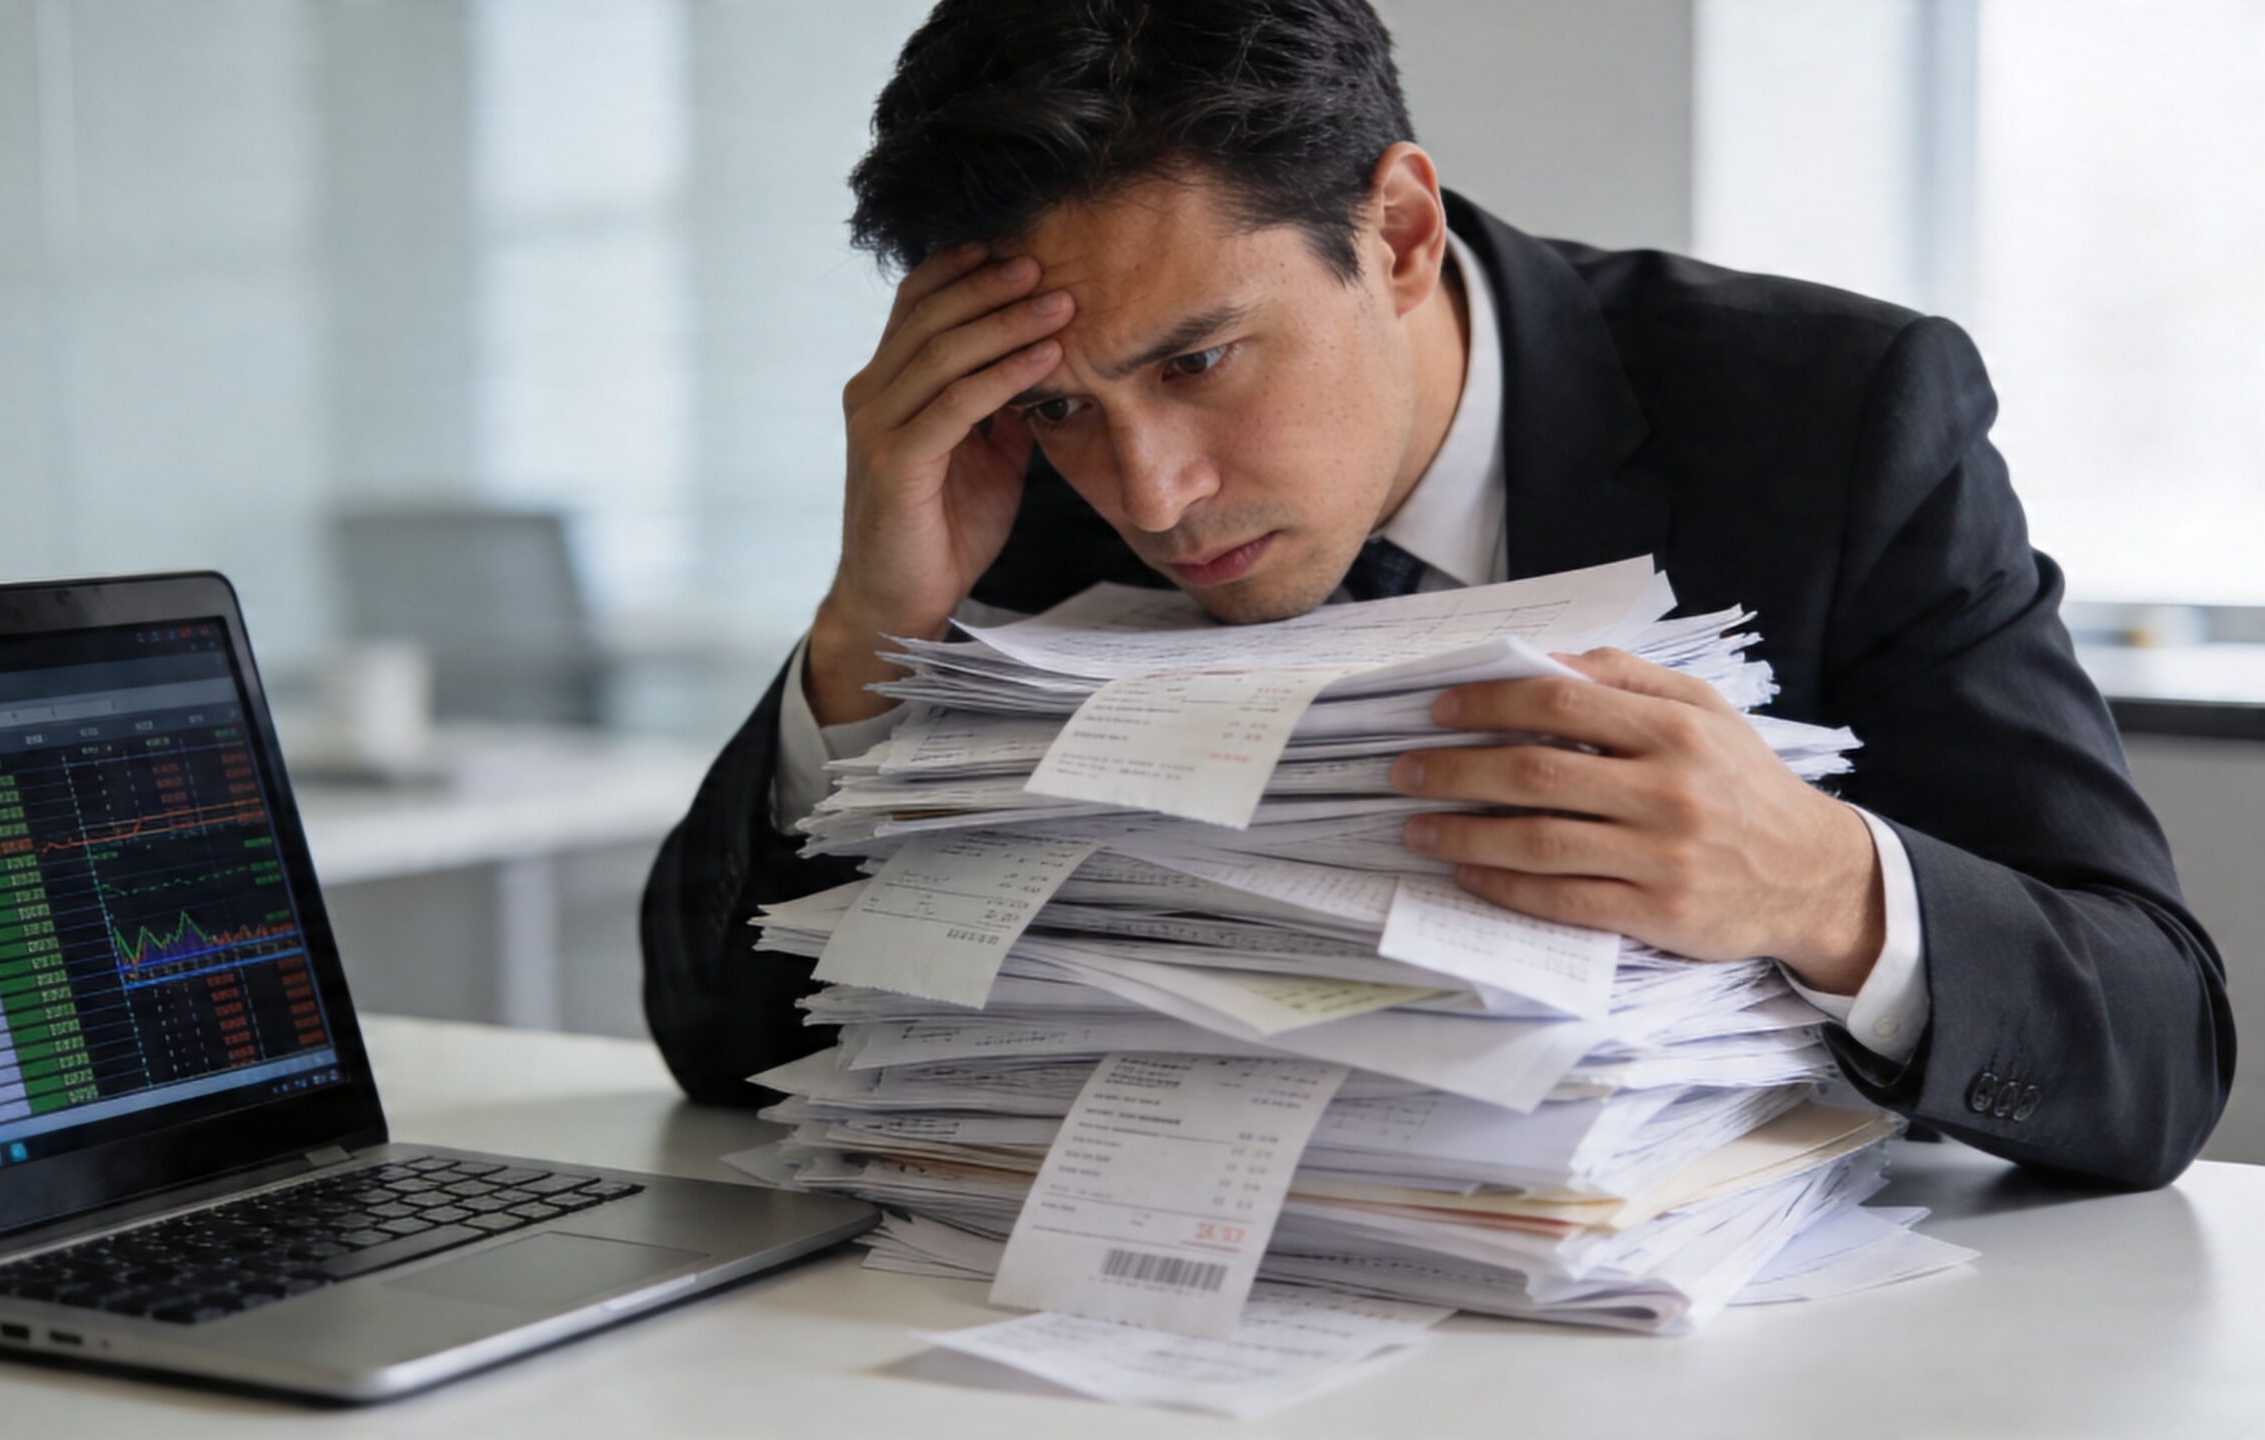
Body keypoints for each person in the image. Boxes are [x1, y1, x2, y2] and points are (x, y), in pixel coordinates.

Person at [640, 0, 2233, 1187]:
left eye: (1201, 361)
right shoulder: (1020, 500)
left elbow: (2161, 1046)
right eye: (1063, 405)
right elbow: (734, 1052)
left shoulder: (1837, 417)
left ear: (1395, 231)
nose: (1148, 495)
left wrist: (1821, 888)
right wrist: (874, 635)